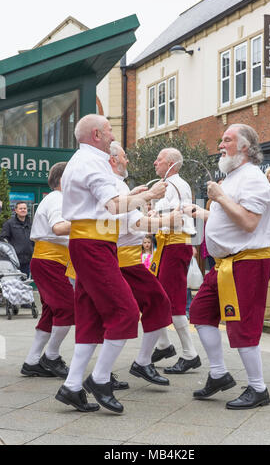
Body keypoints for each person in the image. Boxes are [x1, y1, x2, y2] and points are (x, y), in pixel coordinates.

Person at [55, 114, 167, 414]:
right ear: (96, 135)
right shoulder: (93, 162)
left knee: (91, 316)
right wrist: (151, 195)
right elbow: (112, 206)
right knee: (126, 310)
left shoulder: (82, 160)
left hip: (89, 242)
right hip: (94, 245)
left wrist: (132, 196)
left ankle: (72, 385)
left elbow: (104, 205)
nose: (112, 135)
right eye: (108, 131)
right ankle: (100, 378)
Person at [185, 124, 270, 410]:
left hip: (246, 262)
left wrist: (219, 197)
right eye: (221, 139)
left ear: (245, 147)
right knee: (200, 312)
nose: (221, 144)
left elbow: (249, 222)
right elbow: (228, 215)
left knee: (243, 325)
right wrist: (204, 211)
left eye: (227, 140)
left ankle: (258, 388)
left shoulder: (253, 179)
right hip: (225, 264)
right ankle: (218, 374)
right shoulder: (234, 177)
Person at [109, 141, 182, 387]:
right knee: (155, 303)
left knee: (114, 313)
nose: (127, 160)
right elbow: (133, 224)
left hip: (123, 258)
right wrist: (167, 219)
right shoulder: (114, 183)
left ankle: (103, 372)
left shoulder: (115, 184)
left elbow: (125, 217)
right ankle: (136, 363)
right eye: (124, 156)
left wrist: (137, 197)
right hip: (125, 261)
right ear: (113, 160)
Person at [150, 148, 201, 374]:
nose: (155, 163)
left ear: (170, 163)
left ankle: (189, 353)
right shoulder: (171, 185)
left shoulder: (177, 185)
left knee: (173, 300)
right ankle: (163, 344)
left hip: (174, 245)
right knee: (156, 295)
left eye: (159, 160)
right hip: (167, 245)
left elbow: (177, 217)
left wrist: (154, 217)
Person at [20, 163, 74, 379]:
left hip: (50, 261)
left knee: (52, 311)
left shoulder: (56, 199)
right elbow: (58, 226)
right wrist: (90, 222)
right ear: (64, 181)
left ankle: (32, 361)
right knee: (68, 309)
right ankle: (50, 357)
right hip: (50, 261)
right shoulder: (58, 199)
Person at [0, 201, 34, 277]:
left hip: (28, 260)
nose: (23, 210)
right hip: (14, 260)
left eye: (25, 208)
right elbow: (3, 240)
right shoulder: (9, 224)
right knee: (14, 282)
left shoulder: (31, 224)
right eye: (20, 208)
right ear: (16, 210)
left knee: (25, 281)